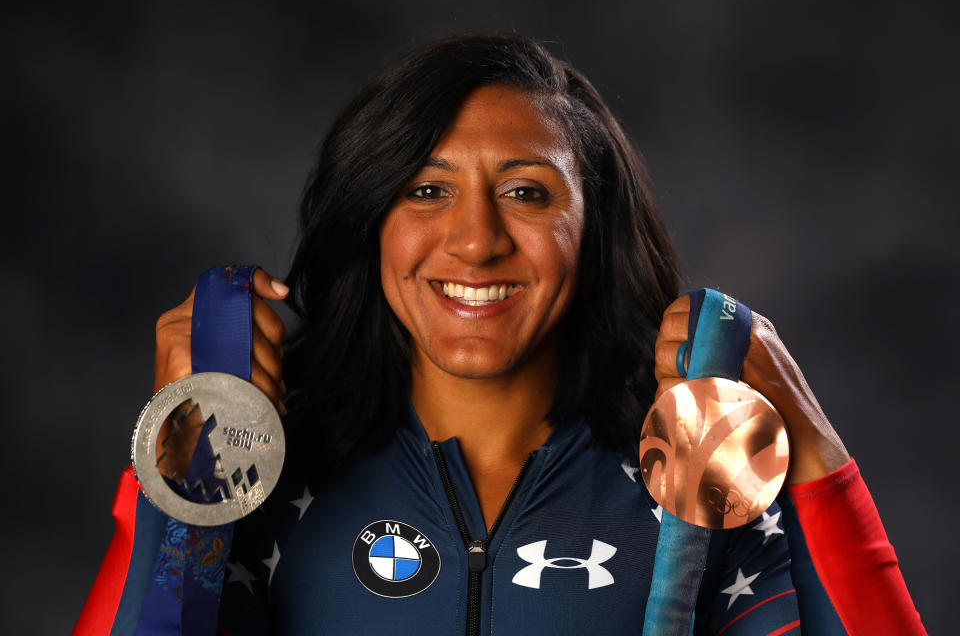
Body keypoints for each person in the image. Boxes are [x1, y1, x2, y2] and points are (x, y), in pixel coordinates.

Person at [76, 33, 925, 635]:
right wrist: (176, 457)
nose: (476, 240)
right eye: (425, 191)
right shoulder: (261, 486)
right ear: (371, 222)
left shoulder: (700, 488)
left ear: (596, 232)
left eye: (527, 194)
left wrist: (811, 447)